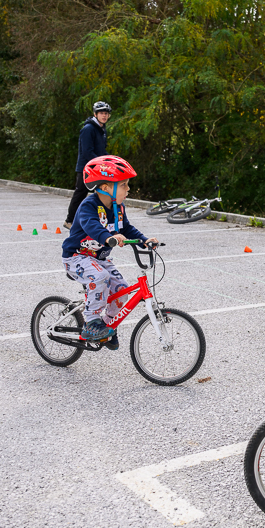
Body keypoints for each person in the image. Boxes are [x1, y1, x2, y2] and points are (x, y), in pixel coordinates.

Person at [62, 154, 160, 346]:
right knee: (100, 277)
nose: (128, 188)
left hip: (99, 258)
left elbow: (127, 228)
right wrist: (108, 238)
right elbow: (92, 226)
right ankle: (91, 322)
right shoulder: (88, 206)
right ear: (106, 187)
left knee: (122, 290)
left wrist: (144, 240)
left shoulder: (118, 208)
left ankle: (106, 327)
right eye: (123, 185)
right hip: (76, 257)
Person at [64, 101, 111, 229]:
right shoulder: (88, 129)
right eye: (101, 113)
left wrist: (110, 160)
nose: (104, 116)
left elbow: (101, 151)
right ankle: (69, 221)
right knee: (80, 193)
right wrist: (100, 163)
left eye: (106, 113)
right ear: (95, 114)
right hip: (86, 168)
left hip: (98, 167)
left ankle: (100, 221)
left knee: (101, 193)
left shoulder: (102, 129)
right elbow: (87, 152)